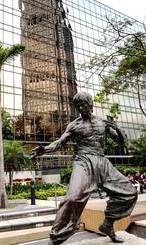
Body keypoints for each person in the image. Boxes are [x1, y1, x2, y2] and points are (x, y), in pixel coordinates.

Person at [30, 92, 137, 244]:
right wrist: (44, 149)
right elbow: (59, 143)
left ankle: (107, 225)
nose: (81, 108)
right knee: (72, 198)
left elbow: (122, 142)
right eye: (78, 106)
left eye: (83, 105)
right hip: (84, 162)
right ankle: (55, 238)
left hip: (101, 161)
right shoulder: (74, 125)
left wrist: (118, 129)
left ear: (91, 104)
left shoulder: (103, 122)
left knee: (129, 193)